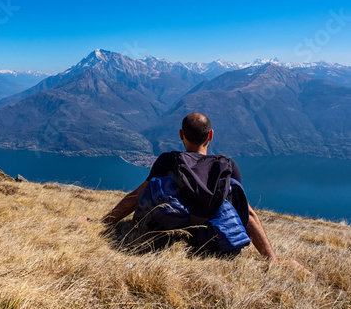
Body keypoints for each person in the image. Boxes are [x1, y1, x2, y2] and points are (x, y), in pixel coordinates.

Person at [101, 112, 305, 267]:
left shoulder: (168, 160)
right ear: (211, 135)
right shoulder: (227, 166)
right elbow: (248, 214)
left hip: (165, 233)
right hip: (214, 244)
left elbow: (137, 196)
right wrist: (274, 262)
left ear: (181, 134)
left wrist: (101, 223)